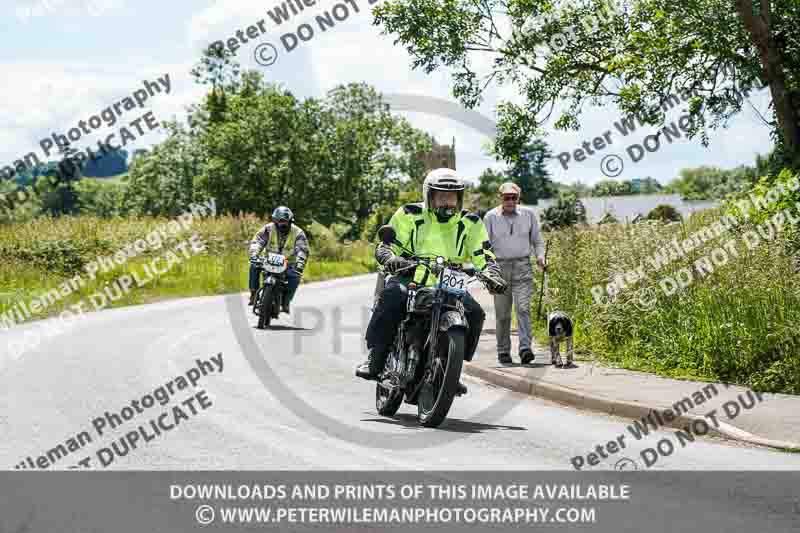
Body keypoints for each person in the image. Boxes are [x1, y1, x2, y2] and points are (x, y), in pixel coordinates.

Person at [355, 168, 508, 395]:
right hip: (412, 275)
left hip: (450, 282)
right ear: (429, 195)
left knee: (475, 313)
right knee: (393, 297)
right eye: (442, 196)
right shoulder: (409, 214)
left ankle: (451, 369)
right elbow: (388, 245)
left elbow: (483, 254)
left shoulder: (471, 222)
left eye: (453, 197)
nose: (448, 202)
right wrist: (391, 258)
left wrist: (492, 274)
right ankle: (376, 357)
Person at [482, 182, 546, 365]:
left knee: (523, 309)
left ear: (519, 198)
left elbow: (537, 241)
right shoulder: (490, 217)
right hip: (499, 268)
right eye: (506, 197)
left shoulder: (528, 215)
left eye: (513, 197)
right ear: (500, 198)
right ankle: (503, 351)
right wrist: (488, 268)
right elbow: (484, 246)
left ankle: (525, 348)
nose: (510, 201)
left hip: (522, 266)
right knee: (503, 314)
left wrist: (540, 257)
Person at [248, 206, 310, 313]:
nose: (282, 224)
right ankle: (253, 294)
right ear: (275, 221)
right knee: (254, 265)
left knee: (295, 276)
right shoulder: (268, 229)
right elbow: (257, 242)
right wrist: (254, 253)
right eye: (279, 221)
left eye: (284, 221)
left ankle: (286, 302)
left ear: (290, 221)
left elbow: (302, 250)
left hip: (288, 264)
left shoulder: (298, 233)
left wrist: (300, 263)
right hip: (268, 260)